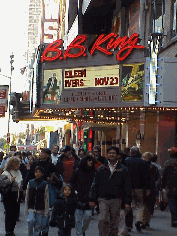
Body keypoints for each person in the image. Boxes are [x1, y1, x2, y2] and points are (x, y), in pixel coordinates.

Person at [89, 146, 132, 236]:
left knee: (114, 222)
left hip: (117, 198)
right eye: (110, 153)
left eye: (114, 153)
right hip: (103, 198)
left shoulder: (123, 169)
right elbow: (95, 184)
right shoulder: (101, 168)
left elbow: (127, 186)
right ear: (107, 155)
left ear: (117, 155)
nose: (111, 155)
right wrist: (92, 199)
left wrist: (127, 202)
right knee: (103, 219)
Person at [23, 148, 63, 236]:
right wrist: (25, 187)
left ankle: (44, 231)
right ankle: (36, 232)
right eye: (41, 152)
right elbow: (29, 175)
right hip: (35, 189)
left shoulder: (51, 165)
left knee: (45, 213)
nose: (41, 154)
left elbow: (58, 177)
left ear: (47, 155)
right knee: (34, 215)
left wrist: (52, 179)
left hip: (47, 189)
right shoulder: (35, 164)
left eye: (43, 152)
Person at [124, 146, 151, 232]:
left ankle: (129, 225)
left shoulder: (126, 161)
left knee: (129, 205)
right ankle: (139, 219)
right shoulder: (143, 162)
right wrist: (147, 187)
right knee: (140, 205)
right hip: (140, 187)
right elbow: (147, 176)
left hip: (128, 187)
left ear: (131, 152)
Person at [69, 155, 96, 236]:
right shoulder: (78, 171)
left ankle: (82, 231)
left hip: (89, 199)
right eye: (89, 160)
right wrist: (75, 193)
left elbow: (96, 186)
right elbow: (71, 183)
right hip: (78, 198)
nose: (90, 162)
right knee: (78, 220)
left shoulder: (94, 173)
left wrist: (94, 199)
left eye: (91, 160)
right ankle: (79, 234)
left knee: (88, 217)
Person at [0, 157, 23, 236]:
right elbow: (1, 184)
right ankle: (8, 231)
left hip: (17, 195)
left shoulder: (19, 172)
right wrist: (9, 180)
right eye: (16, 164)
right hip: (8, 196)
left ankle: (12, 230)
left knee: (14, 214)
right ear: (12, 164)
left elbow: (20, 183)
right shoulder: (6, 173)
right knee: (9, 213)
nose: (18, 166)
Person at [25, 166, 49, 236]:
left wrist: (46, 211)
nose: (38, 174)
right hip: (31, 206)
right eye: (36, 172)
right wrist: (26, 208)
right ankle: (30, 234)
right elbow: (27, 196)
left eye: (39, 172)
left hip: (40, 207)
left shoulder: (44, 184)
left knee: (38, 224)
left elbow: (46, 198)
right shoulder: (31, 182)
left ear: (42, 174)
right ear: (34, 173)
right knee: (30, 221)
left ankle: (36, 234)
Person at [141, 152, 159, 229]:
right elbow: (156, 178)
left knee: (142, 205)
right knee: (149, 205)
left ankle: (141, 220)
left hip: (142, 187)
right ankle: (146, 221)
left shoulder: (141, 166)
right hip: (152, 188)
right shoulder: (154, 167)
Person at [162, 147, 177, 227]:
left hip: (170, 186)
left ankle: (174, 218)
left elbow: (164, 175)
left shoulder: (168, 163)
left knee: (171, 202)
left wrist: (163, 185)